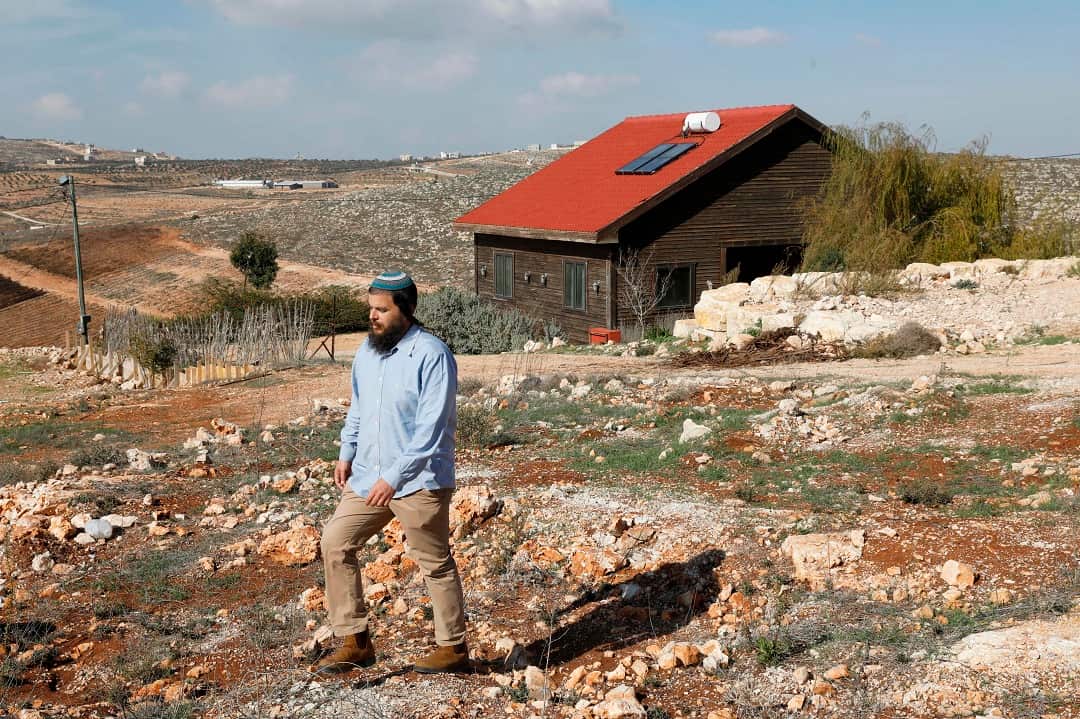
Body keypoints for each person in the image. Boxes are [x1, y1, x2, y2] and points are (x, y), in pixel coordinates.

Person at [312, 270, 469, 675]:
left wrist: (395, 478)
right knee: (335, 541)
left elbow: (431, 429)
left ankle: (453, 648)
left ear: (408, 309)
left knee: (433, 561)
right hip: (367, 476)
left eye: (382, 310)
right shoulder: (368, 351)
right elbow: (359, 407)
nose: (374, 317)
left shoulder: (433, 355)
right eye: (371, 309)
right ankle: (355, 640)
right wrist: (347, 451)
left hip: (418, 481)